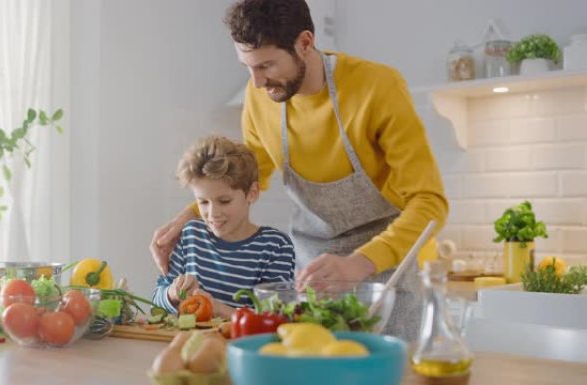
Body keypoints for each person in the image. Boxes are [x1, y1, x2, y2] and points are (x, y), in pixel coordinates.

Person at [150, 0, 447, 340]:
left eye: (267, 65)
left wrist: (358, 264)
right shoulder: (260, 96)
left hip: (388, 271)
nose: (258, 82)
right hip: (312, 276)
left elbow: (430, 204)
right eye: (248, 67)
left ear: (305, 43)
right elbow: (251, 171)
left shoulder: (376, 87)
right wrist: (188, 216)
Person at [152, 135, 295, 318]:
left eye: (224, 201)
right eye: (203, 202)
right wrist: (172, 294)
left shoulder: (275, 246)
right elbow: (157, 298)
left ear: (252, 193)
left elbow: (275, 318)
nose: (213, 214)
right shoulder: (191, 235)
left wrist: (217, 308)